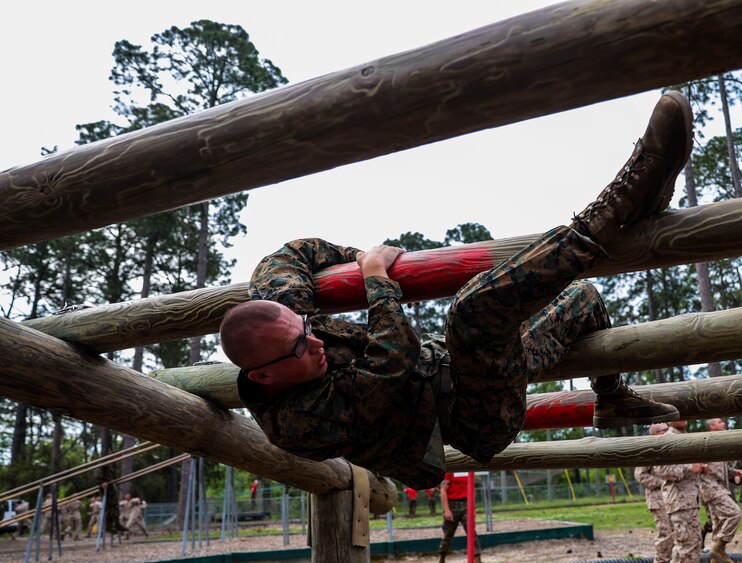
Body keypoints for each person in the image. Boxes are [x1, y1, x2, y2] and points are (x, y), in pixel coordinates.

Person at [218, 92, 692, 490]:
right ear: (262, 377)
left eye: (305, 327)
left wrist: (362, 257)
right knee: (472, 311)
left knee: (583, 299)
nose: (314, 339)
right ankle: (621, 202)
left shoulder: (282, 329)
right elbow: (393, 357)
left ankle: (612, 395)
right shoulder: (298, 423)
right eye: (301, 345)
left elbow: (288, 256)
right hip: (472, 418)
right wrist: (376, 280)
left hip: (462, 367)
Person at [656, 421, 703, 563]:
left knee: (686, 541)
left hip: (689, 498)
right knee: (689, 542)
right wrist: (690, 468)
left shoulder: (684, 437)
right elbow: (661, 469)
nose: (683, 418)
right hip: (679, 499)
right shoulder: (668, 438)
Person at [698, 418, 742, 563]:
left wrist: (735, 472)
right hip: (711, 488)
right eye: (719, 422)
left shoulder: (719, 443)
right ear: (711, 426)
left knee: (718, 523)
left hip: (720, 487)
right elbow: (697, 466)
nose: (723, 423)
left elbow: (720, 469)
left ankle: (717, 561)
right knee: (734, 514)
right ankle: (718, 547)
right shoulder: (704, 443)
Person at [634, 422, 673, 563]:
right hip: (658, 500)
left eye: (667, 429)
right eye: (662, 430)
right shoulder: (649, 450)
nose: (666, 432)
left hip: (674, 499)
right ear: (654, 434)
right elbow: (640, 475)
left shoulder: (671, 448)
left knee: (680, 535)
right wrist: (663, 482)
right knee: (666, 534)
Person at [437, 471, 483, 563]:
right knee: (448, 535)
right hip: (452, 504)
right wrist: (447, 510)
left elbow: (471, 489)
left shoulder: (469, 470)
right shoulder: (450, 470)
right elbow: (443, 490)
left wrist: (472, 508)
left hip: (466, 503)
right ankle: (441, 562)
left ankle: (478, 561)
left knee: (472, 533)